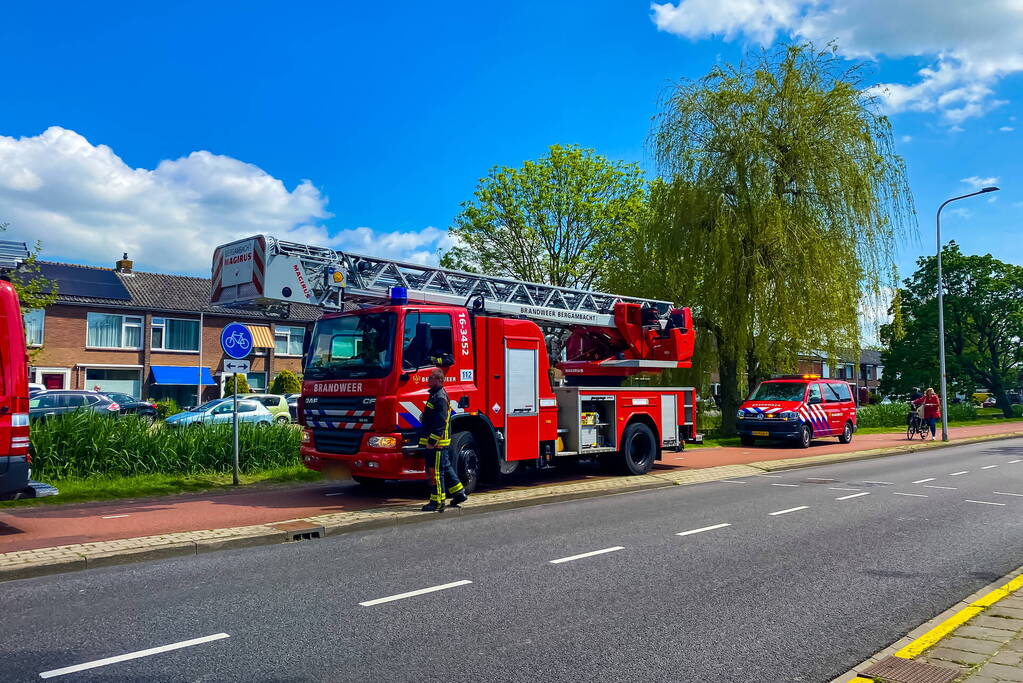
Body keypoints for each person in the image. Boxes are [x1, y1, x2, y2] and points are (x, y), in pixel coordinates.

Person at [419, 367, 467, 512]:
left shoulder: (439, 397)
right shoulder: (436, 395)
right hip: (438, 443)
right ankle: (459, 493)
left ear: (439, 380)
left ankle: (437, 502)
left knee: (436, 473)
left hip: (437, 444)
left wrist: (432, 442)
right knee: (445, 468)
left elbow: (440, 423)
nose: (428, 380)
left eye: (431, 378)